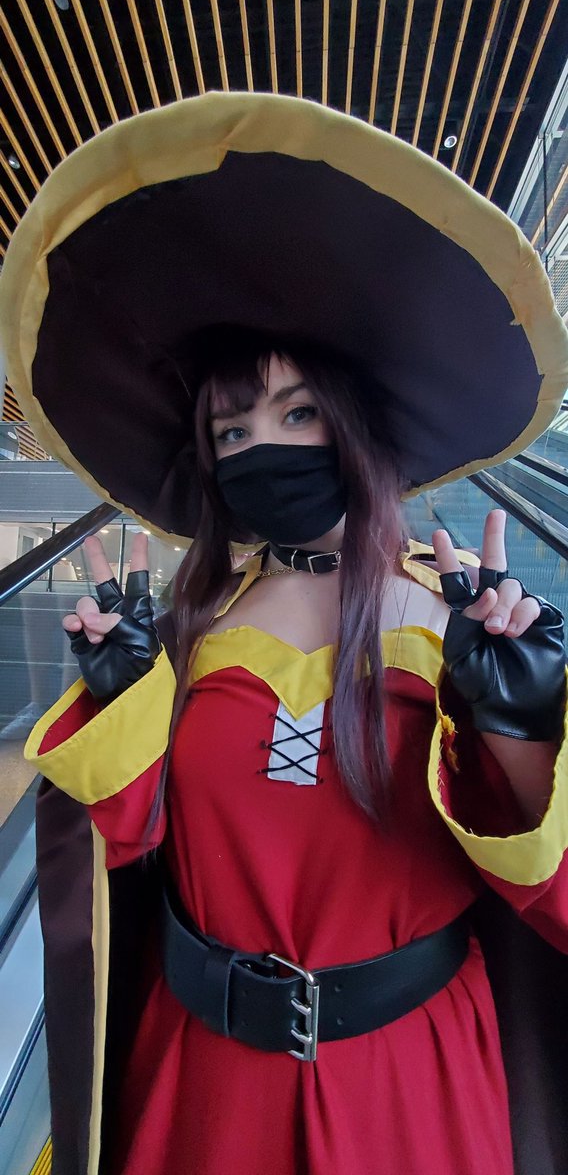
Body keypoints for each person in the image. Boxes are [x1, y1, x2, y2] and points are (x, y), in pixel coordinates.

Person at [1, 92, 568, 1175]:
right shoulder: (192, 627)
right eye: (232, 429)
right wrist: (123, 701)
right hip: (202, 1091)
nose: (262, 447)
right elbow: (118, 860)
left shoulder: (463, 630)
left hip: (410, 1097)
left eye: (298, 413)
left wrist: (523, 720)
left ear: (355, 426)